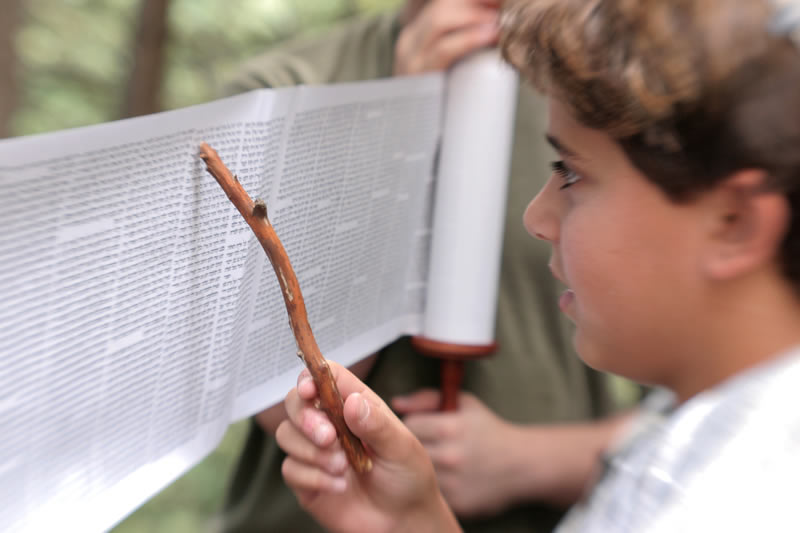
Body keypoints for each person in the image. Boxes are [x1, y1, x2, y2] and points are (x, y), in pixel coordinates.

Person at [274, 0, 800, 531]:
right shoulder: (696, 438)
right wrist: (414, 522)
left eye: (571, 173)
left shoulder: (720, 506)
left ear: (734, 223)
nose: (537, 217)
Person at [219, 1, 636, 532]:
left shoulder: (602, 88)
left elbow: (705, 398)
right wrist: (400, 123)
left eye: (568, 173)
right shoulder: (283, 90)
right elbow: (279, 402)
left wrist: (528, 460)